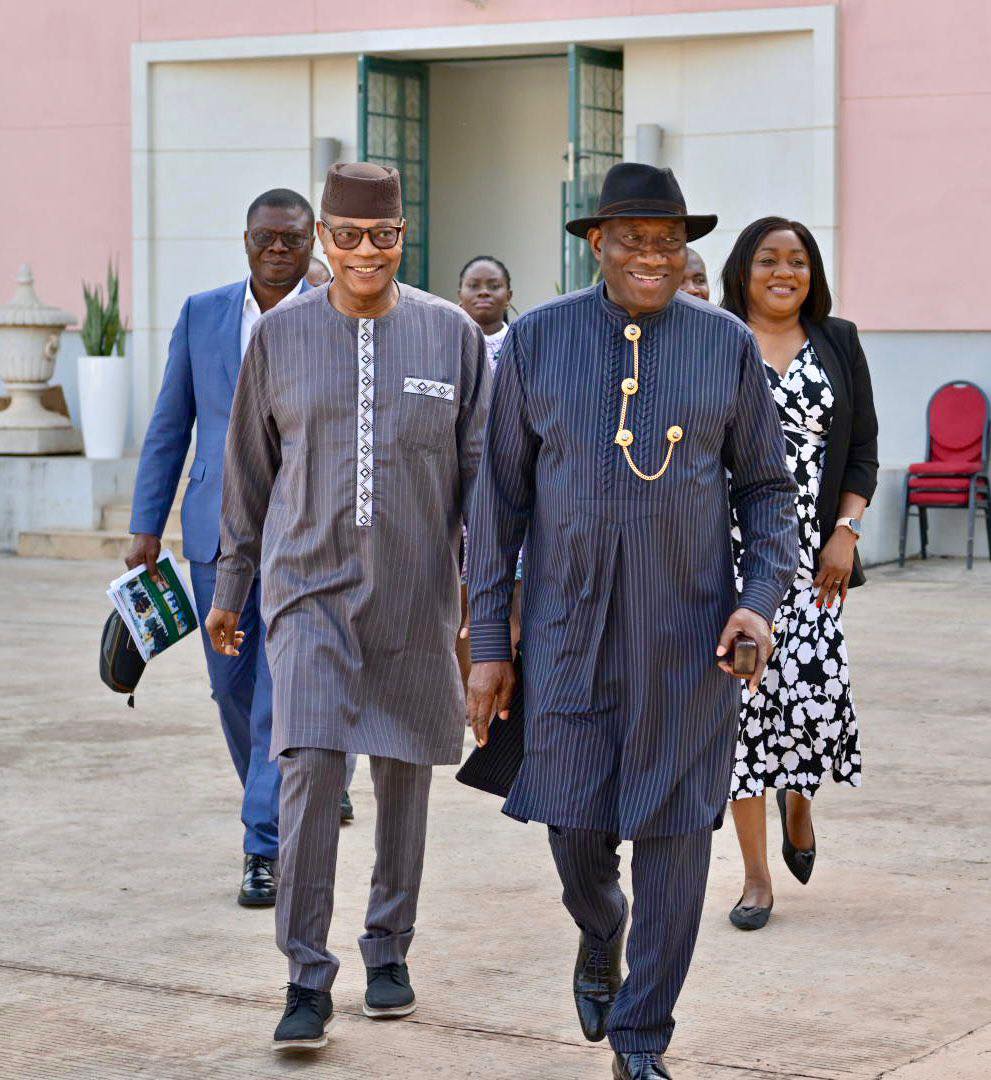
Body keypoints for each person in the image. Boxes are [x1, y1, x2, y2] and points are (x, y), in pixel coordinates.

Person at [466, 163, 798, 1080]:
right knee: (574, 834)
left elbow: (768, 493)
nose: (651, 255)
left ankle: (641, 1039)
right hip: (567, 637)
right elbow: (497, 506)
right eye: (632, 238)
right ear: (595, 244)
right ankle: (599, 927)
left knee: (677, 844)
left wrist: (756, 603)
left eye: (666, 240)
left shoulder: (723, 345)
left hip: (690, 645)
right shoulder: (534, 342)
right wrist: (489, 643)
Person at [204, 163, 489, 1054]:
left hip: (415, 594)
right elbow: (248, 475)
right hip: (306, 592)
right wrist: (228, 589)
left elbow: (482, 480)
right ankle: (303, 976)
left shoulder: (450, 337)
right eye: (349, 236)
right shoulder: (281, 337)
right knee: (310, 769)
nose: (366, 253)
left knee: (404, 774)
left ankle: (388, 949)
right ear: (325, 238)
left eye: (385, 236)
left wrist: (486, 604)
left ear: (405, 235)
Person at [128, 188, 331, 908]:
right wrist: (145, 524)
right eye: (266, 237)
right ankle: (287, 786)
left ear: (314, 243)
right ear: (245, 239)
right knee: (230, 686)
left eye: (293, 238)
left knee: (281, 692)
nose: (279, 249)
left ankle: (263, 845)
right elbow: (169, 424)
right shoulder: (202, 313)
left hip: (308, 534)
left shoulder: (336, 312)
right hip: (219, 533)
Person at [719, 217, 879, 931]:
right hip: (726, 559)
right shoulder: (714, 336)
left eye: (797, 261)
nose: (783, 272)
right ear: (742, 271)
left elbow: (864, 447)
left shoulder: (837, 341)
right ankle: (755, 879)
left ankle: (799, 805)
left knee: (810, 704)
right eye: (767, 260)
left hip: (815, 563)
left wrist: (844, 532)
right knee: (742, 716)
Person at [455, 255, 520, 686]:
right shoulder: (447, 343)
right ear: (458, 294)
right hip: (462, 491)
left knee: (511, 593)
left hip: (511, 483)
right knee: (463, 597)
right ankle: (465, 686)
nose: (483, 293)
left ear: (509, 295)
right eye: (474, 285)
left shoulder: (523, 343)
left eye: (493, 286)